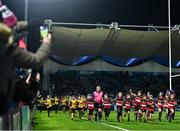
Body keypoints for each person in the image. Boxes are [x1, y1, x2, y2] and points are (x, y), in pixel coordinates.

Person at [0, 22, 52, 115]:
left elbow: (12, 27)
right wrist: (46, 43)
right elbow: (36, 60)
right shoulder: (8, 50)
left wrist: (27, 25)